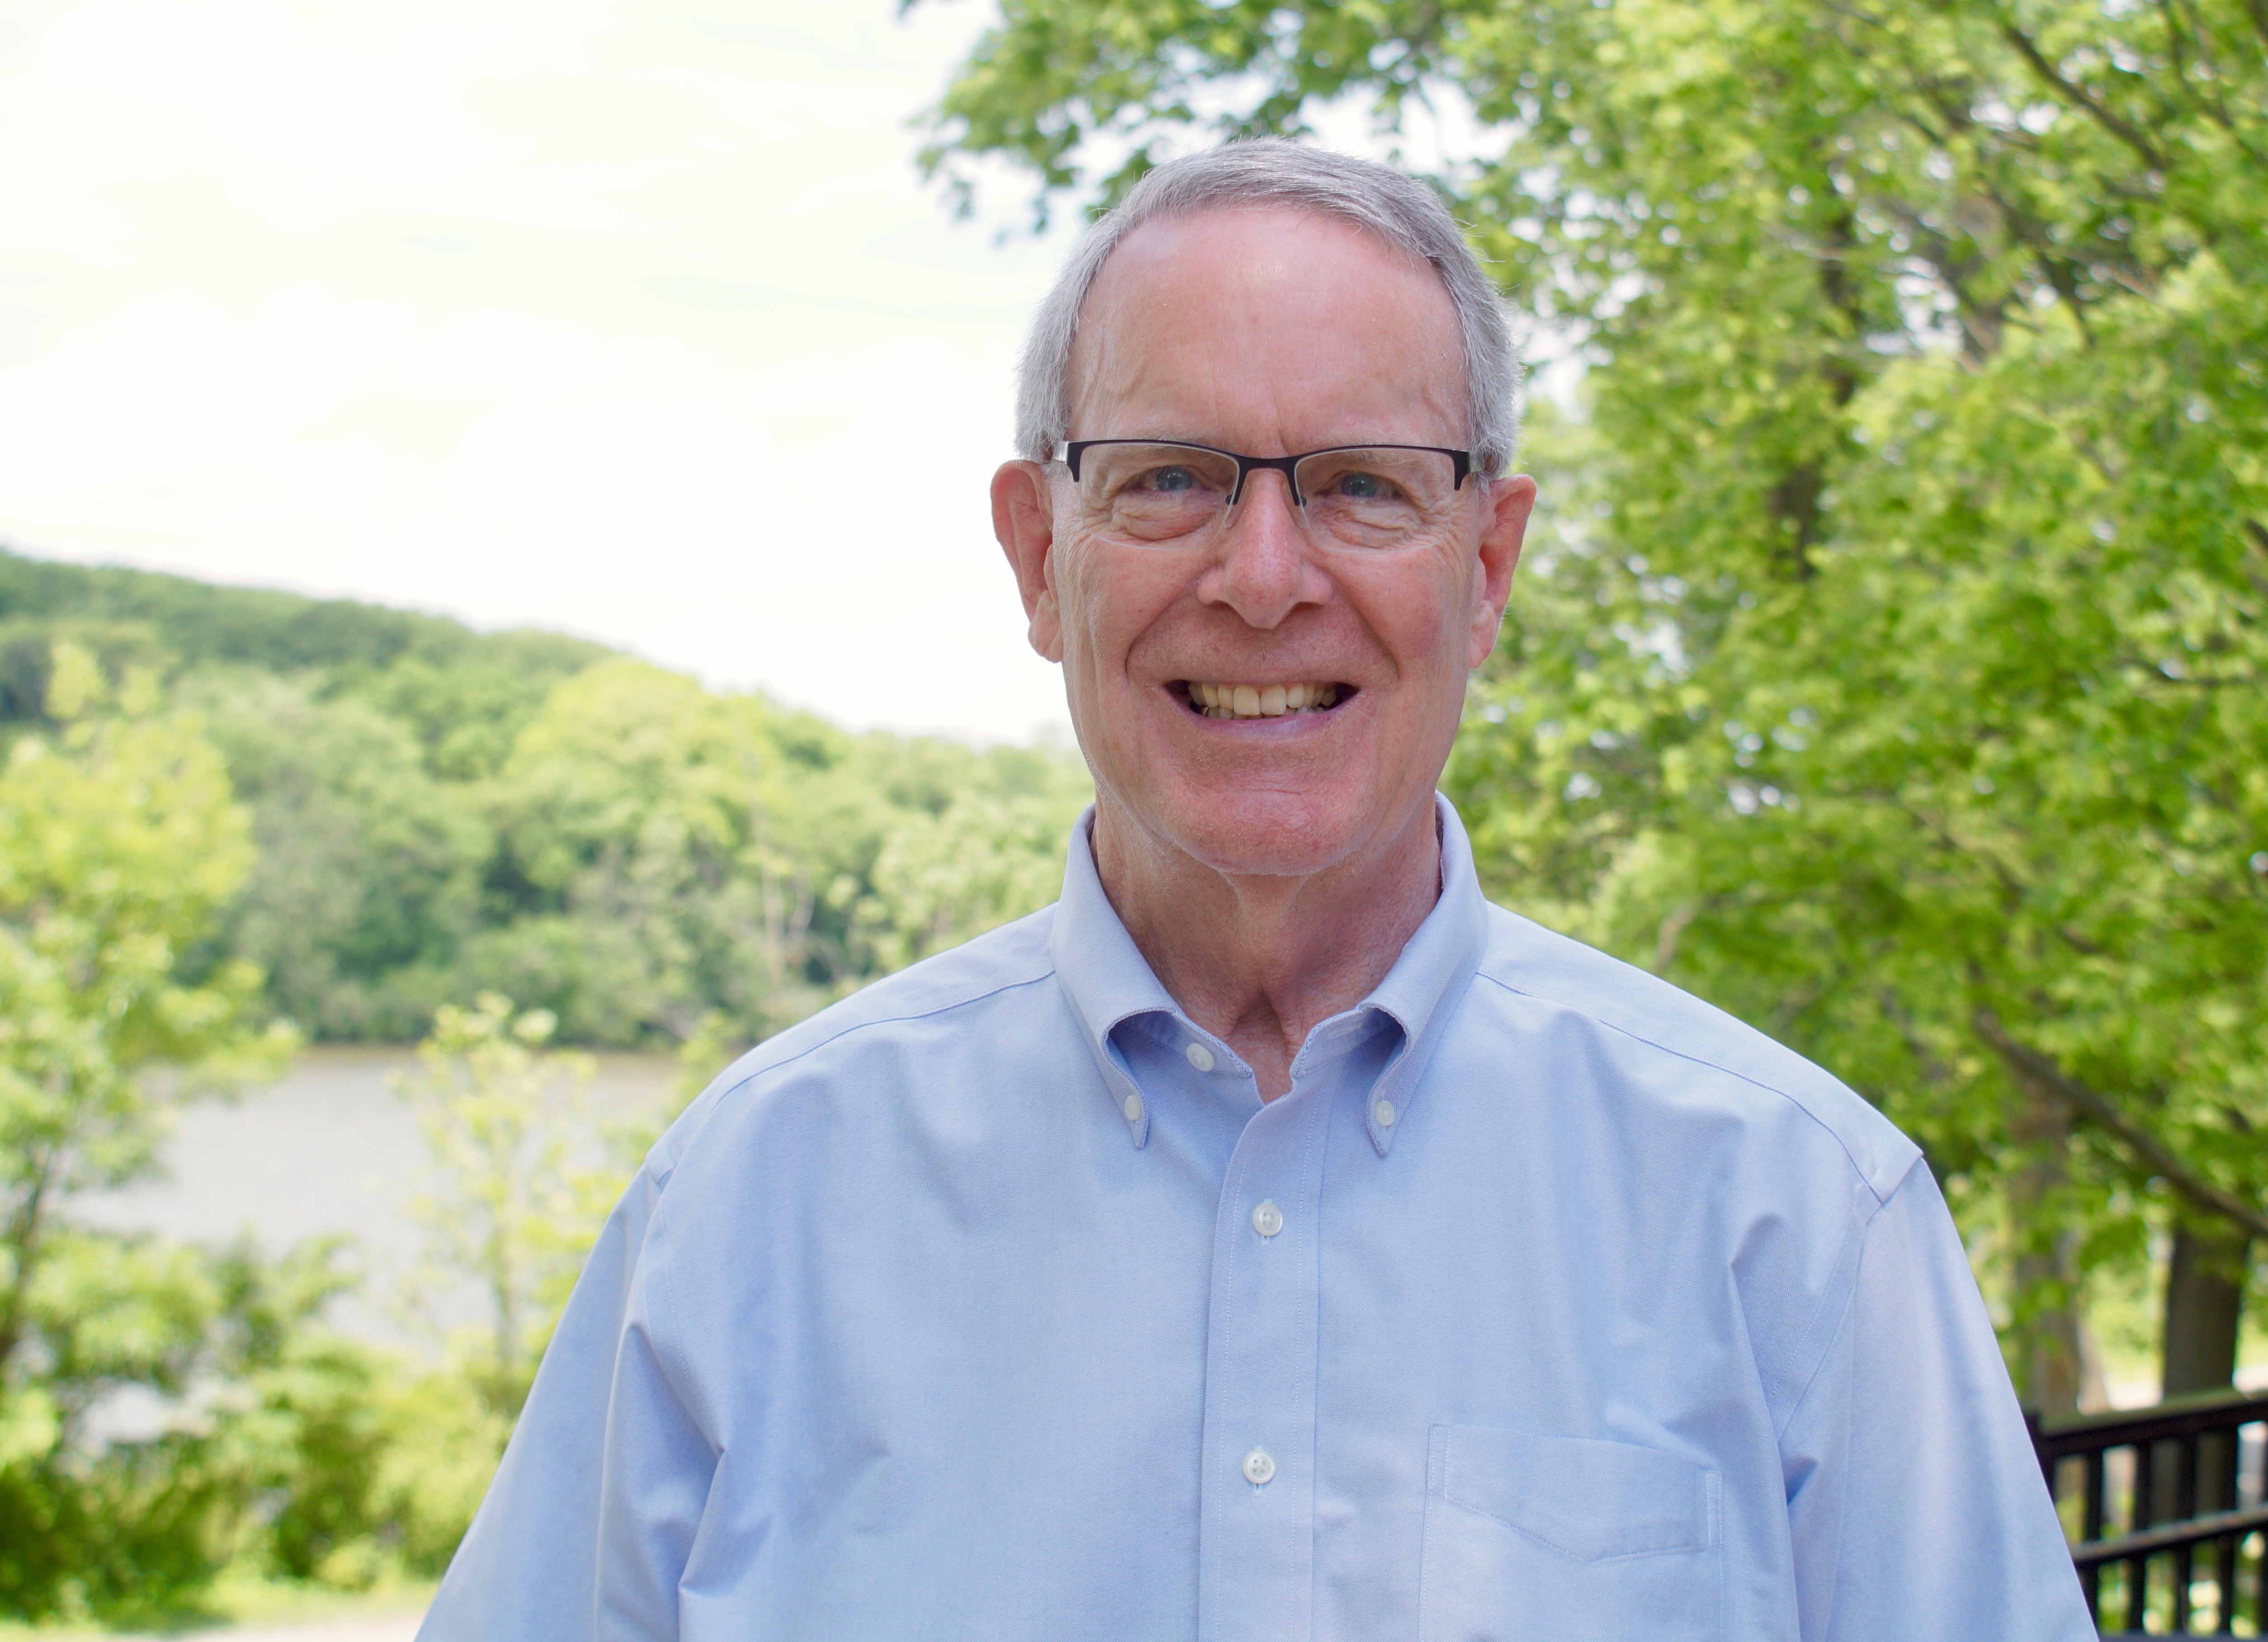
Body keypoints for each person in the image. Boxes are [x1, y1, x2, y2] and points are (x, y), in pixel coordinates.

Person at [420, 141, 2092, 1641]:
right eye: (1170, 476)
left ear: (1488, 566)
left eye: (1363, 484)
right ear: (1035, 557)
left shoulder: (1797, 1221)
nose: (1265, 579)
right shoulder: (754, 1204)